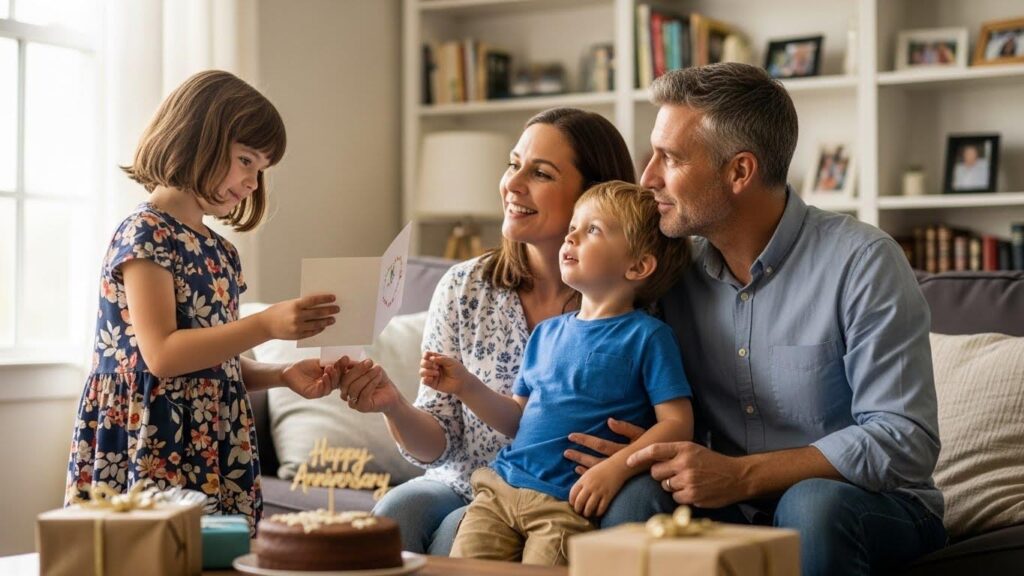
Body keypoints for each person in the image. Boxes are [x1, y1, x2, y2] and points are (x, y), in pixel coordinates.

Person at [565, 63, 946, 576]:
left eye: (670, 158)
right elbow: (594, 299)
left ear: (739, 172)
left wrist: (743, 476)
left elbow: (904, 437)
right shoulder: (670, 271)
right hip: (723, 508)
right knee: (635, 495)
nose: (647, 177)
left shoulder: (863, 261)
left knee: (811, 504)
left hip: (868, 506)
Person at [335, 107, 655, 555]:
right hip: (469, 483)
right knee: (396, 511)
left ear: (594, 193)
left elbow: (675, 418)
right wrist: (394, 406)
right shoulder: (465, 288)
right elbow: (437, 446)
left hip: (574, 490)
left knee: (453, 536)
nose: (513, 183)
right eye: (513, 163)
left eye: (540, 173)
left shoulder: (638, 301)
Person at [64, 70, 345, 534]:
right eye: (245, 160)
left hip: (213, 438)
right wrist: (268, 325)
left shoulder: (222, 252)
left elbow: (214, 362)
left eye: (261, 168)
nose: (253, 181)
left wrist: (281, 375)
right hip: (151, 437)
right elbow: (163, 355)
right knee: (150, 556)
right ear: (198, 138)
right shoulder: (146, 232)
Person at [420, 181, 693, 565]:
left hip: (566, 502)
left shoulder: (649, 336)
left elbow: (678, 424)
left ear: (638, 265)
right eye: (573, 228)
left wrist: (615, 469)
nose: (572, 236)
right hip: (500, 488)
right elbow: (516, 419)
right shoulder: (547, 333)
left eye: (593, 229)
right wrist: (465, 385)